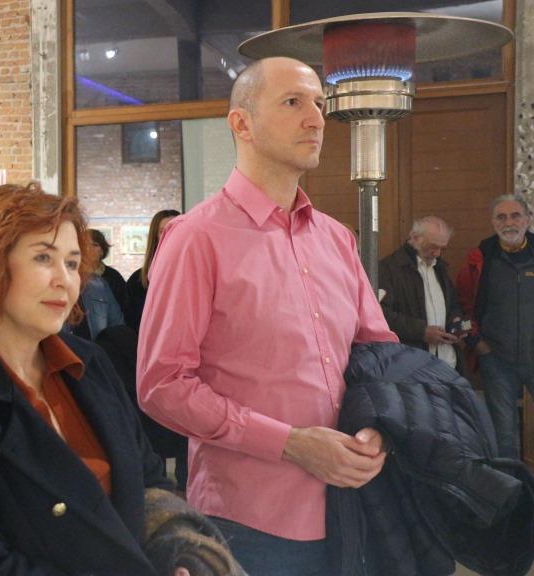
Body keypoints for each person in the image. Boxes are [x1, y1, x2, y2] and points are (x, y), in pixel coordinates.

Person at [137, 57, 397, 576]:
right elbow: (162, 385)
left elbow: (379, 354)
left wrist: (380, 427)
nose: (316, 119)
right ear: (242, 123)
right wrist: (290, 445)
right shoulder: (196, 238)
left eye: (319, 104)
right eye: (293, 102)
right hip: (249, 519)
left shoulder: (336, 238)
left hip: (351, 504)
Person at [0, 183, 242, 576]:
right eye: (43, 258)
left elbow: (148, 479)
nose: (64, 280)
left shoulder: (88, 363)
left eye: (71, 263)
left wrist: (176, 556)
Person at [456, 194, 534, 460]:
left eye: (515, 216)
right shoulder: (478, 259)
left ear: (528, 219)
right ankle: (511, 484)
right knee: (504, 434)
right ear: (492, 222)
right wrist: (476, 343)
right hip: (497, 360)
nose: (509, 222)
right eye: (501, 217)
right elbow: (462, 306)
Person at [378, 216, 462, 369]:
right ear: (415, 238)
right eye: (433, 247)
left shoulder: (440, 268)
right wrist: (421, 331)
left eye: (442, 248)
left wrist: (455, 322)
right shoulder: (389, 269)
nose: (437, 253)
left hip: (446, 360)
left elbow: (453, 303)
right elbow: (380, 314)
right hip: (410, 363)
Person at [125, 209, 180, 331]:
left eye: (176, 230)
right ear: (155, 237)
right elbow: (132, 324)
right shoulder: (138, 280)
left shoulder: (196, 276)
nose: (170, 236)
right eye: (163, 231)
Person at [89, 228, 127, 309]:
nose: (89, 248)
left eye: (95, 245)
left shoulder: (114, 277)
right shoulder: (72, 276)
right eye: (85, 245)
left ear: (102, 251)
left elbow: (124, 307)